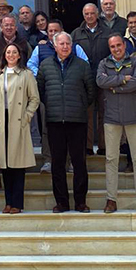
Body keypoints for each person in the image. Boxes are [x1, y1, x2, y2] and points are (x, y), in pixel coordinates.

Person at [37, 32, 95, 213]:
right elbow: (40, 90)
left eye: (67, 43)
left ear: (72, 46)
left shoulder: (82, 65)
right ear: (54, 46)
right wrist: (53, 105)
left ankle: (80, 202)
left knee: (79, 163)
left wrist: (79, 105)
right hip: (54, 120)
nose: (64, 46)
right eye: (61, 44)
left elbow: (91, 92)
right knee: (57, 164)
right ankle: (61, 202)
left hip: (77, 120)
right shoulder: (45, 66)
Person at [96, 34, 136, 213]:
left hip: (133, 116)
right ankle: (111, 199)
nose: (116, 49)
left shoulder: (135, 63)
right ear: (109, 48)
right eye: (113, 47)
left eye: (119, 45)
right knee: (111, 159)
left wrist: (114, 87)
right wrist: (122, 79)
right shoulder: (104, 64)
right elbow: (100, 81)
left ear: (124, 46)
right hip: (111, 117)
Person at [27, 19, 88, 173]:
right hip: (49, 98)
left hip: (73, 98)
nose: (53, 33)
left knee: (71, 132)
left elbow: (85, 66)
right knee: (49, 130)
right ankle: (48, 160)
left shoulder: (75, 48)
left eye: (56, 30)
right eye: (50, 31)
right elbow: (30, 65)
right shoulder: (40, 49)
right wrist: (42, 74)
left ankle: (72, 161)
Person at [0, 43, 40, 214]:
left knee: (18, 165)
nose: (11, 55)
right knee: (4, 165)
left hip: (18, 121)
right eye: (8, 52)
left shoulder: (26, 75)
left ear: (19, 56)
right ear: (4, 55)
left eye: (14, 52)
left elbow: (34, 99)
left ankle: (17, 203)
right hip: (2, 121)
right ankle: (8, 202)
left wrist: (27, 116)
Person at [71, 3, 110, 155]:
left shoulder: (107, 32)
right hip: (84, 79)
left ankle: (103, 146)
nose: (89, 16)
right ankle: (87, 146)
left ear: (97, 13)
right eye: (86, 14)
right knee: (86, 114)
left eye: (92, 13)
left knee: (104, 113)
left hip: (103, 78)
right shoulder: (75, 34)